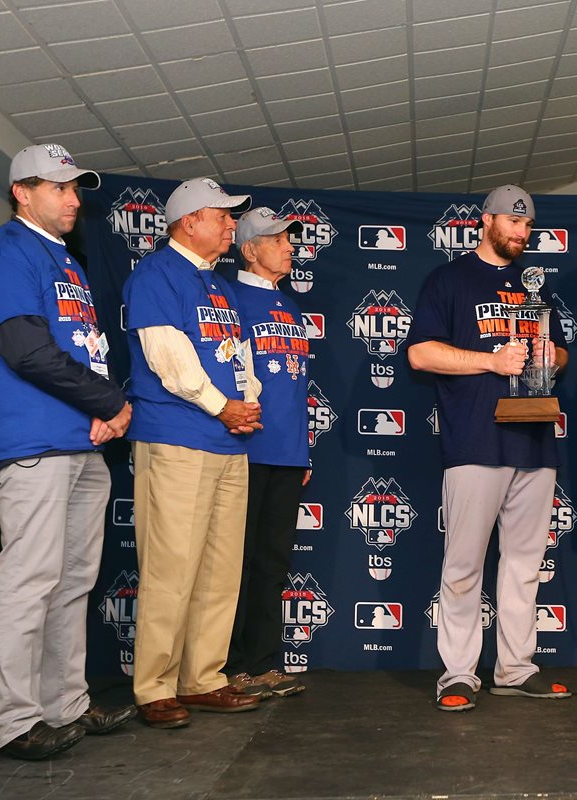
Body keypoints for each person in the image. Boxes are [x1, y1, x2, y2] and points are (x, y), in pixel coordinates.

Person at [0, 144, 136, 759]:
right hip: (33, 442)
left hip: (82, 444)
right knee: (27, 581)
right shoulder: (7, 253)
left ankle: (64, 706)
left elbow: (80, 349)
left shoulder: (67, 262)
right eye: (60, 188)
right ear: (22, 191)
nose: (73, 199)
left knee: (71, 582)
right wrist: (110, 403)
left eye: (75, 189)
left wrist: (102, 408)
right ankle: (14, 723)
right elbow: (26, 351)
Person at [408, 185, 572, 712]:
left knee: (525, 564)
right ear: (487, 222)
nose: (521, 234)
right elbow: (419, 354)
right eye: (512, 224)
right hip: (475, 441)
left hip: (535, 440)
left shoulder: (534, 287)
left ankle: (516, 667)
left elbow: (562, 351)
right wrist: (490, 360)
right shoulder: (449, 279)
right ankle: (458, 673)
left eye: (527, 227)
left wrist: (552, 355)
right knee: (463, 565)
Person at [123, 178, 263, 729]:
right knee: (170, 566)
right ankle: (154, 685)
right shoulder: (156, 273)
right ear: (188, 222)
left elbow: (239, 352)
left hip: (230, 439)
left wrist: (247, 402)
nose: (232, 224)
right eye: (222, 216)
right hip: (179, 434)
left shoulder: (219, 285)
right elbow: (168, 358)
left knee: (219, 570)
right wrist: (223, 405)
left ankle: (203, 677)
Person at [223, 207, 310, 700]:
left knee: (274, 561)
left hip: (287, 453)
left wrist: (303, 451)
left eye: (289, 239)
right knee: (237, 560)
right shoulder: (229, 298)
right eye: (277, 239)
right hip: (244, 450)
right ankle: (230, 665)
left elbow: (295, 390)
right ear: (250, 249)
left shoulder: (291, 306)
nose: (289, 246)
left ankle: (264, 662)